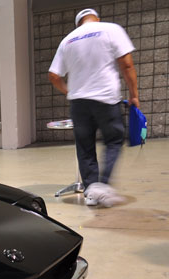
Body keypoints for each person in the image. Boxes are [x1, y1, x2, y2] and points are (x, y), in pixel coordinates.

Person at [48, 8, 138, 208]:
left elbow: (53, 76)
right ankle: (102, 186)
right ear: (96, 18)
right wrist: (134, 95)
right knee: (113, 141)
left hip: (78, 103)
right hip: (106, 99)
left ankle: (91, 193)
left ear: (78, 23)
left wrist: (69, 91)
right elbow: (127, 65)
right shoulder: (111, 29)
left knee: (85, 147)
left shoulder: (67, 40)